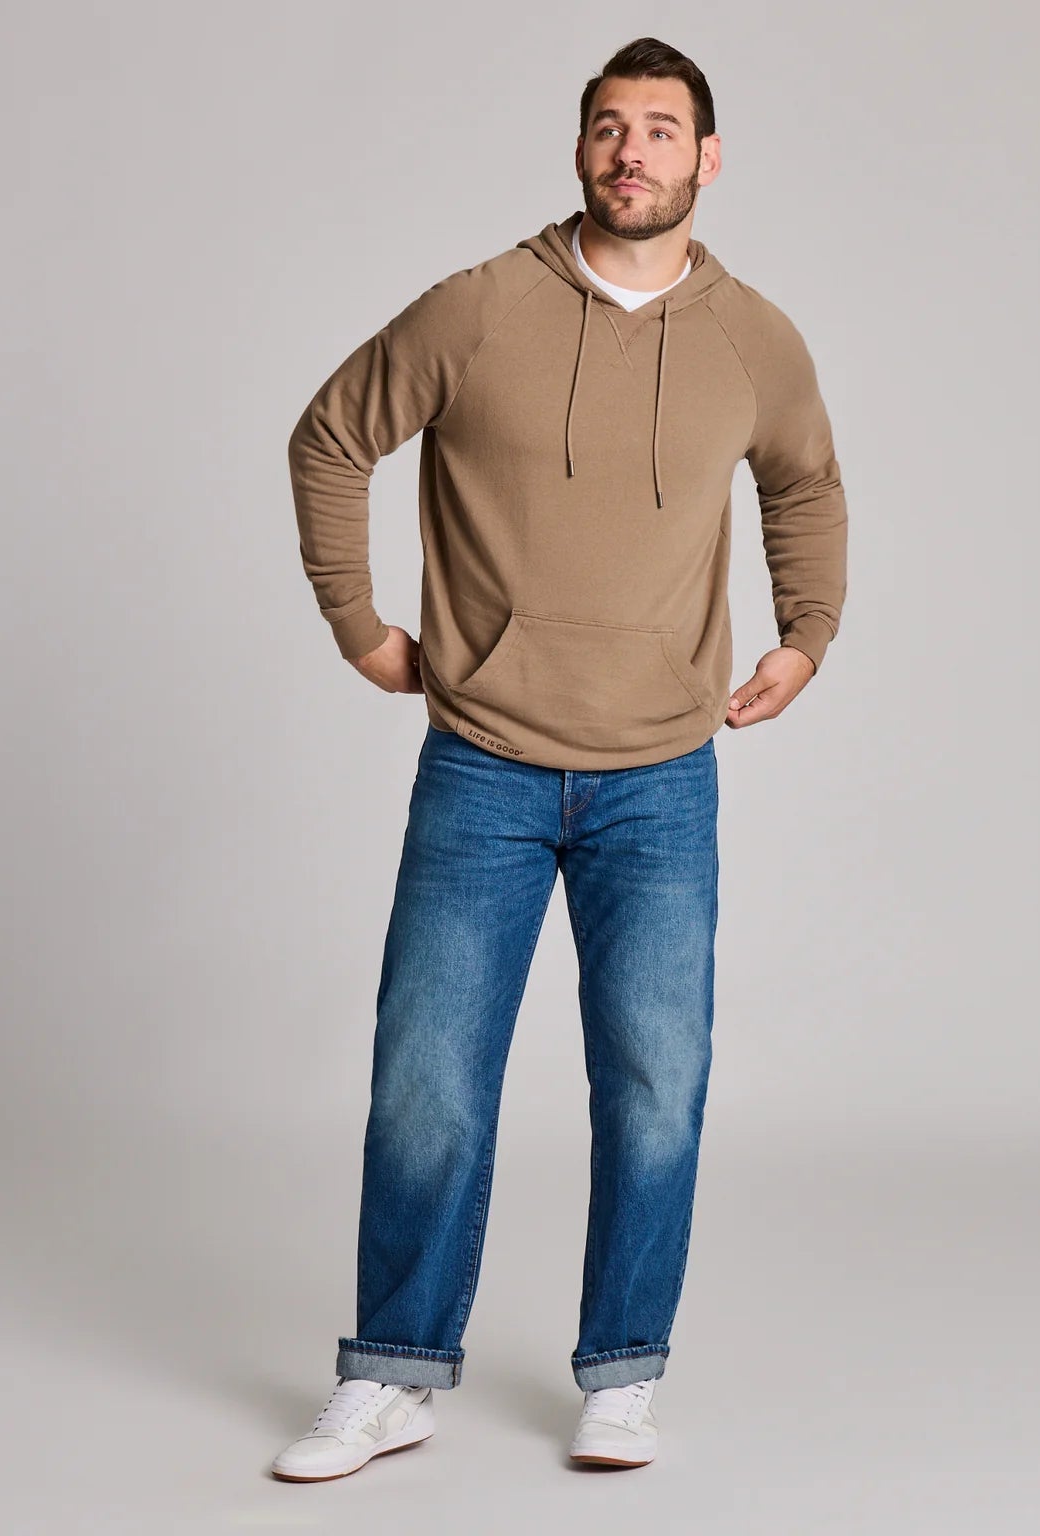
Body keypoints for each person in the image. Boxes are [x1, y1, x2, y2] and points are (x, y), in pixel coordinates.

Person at [272, 36, 848, 1481]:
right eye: (609, 126)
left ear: (707, 158)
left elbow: (806, 483)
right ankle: (393, 1374)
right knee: (427, 1079)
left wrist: (808, 634)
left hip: (661, 775)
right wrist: (358, 627)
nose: (631, 150)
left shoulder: (754, 338)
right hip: (484, 764)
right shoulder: (480, 309)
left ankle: (624, 1374)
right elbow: (331, 437)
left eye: (661, 128)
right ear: (580, 148)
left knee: (654, 1082)